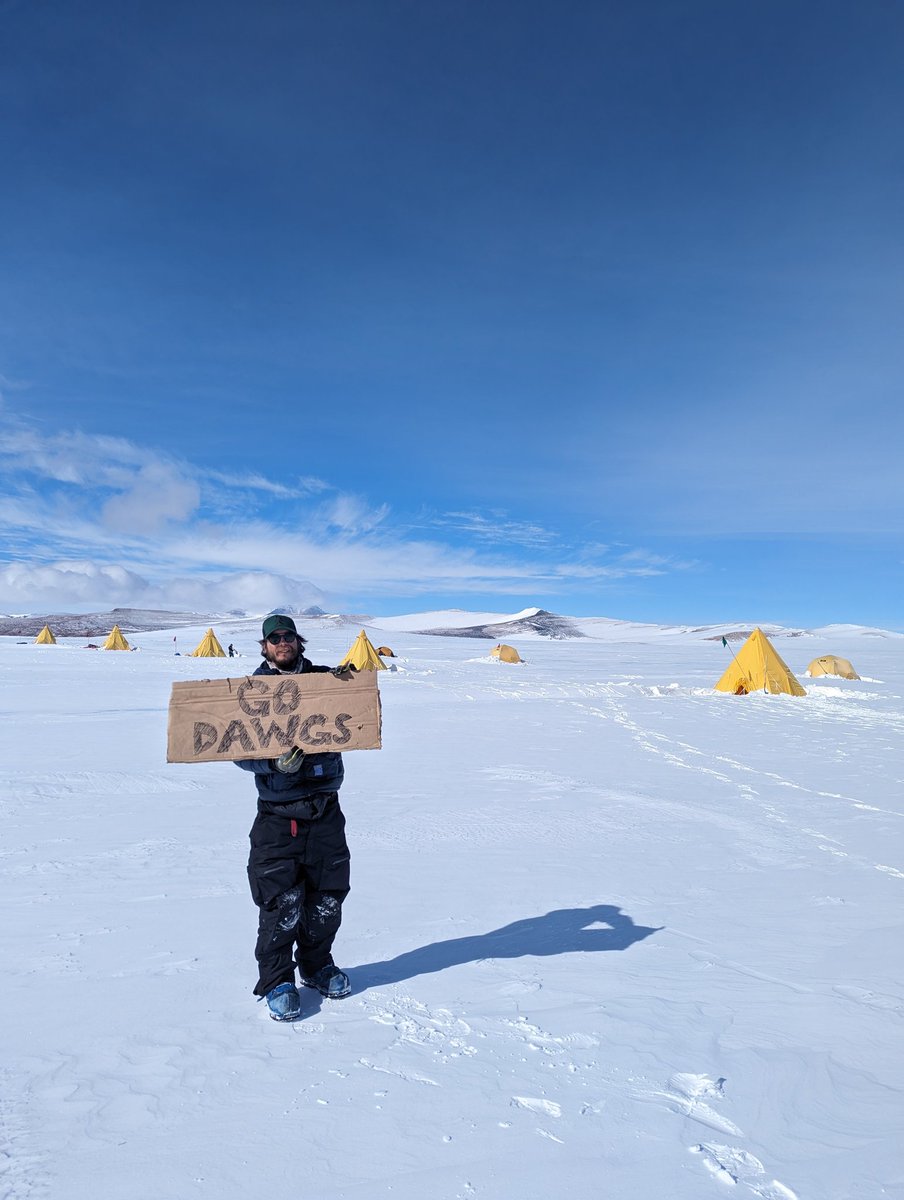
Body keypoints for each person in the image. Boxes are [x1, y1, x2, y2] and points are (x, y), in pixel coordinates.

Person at [235, 614, 352, 1021]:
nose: (281, 642)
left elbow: (354, 719)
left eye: (287, 636)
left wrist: (350, 689)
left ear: (298, 641)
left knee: (327, 899)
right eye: (273, 638)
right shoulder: (250, 692)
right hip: (277, 816)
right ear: (264, 646)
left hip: (325, 811)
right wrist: (273, 764)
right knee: (279, 902)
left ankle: (317, 967)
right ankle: (278, 980)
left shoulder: (325, 683)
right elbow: (238, 750)